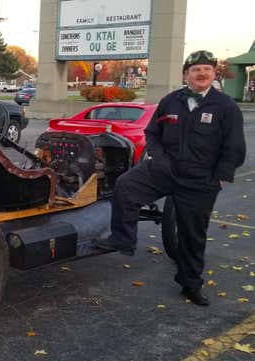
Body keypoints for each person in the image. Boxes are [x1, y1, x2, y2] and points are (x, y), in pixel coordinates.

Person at [95, 50, 246, 306]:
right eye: (195, 69)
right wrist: (161, 160)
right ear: (186, 74)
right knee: (126, 185)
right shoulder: (171, 101)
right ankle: (124, 238)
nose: (201, 73)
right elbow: (152, 133)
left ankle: (190, 284)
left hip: (200, 180)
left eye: (206, 69)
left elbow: (235, 147)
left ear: (213, 74)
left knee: (191, 235)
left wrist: (221, 176)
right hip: (165, 170)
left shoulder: (225, 107)